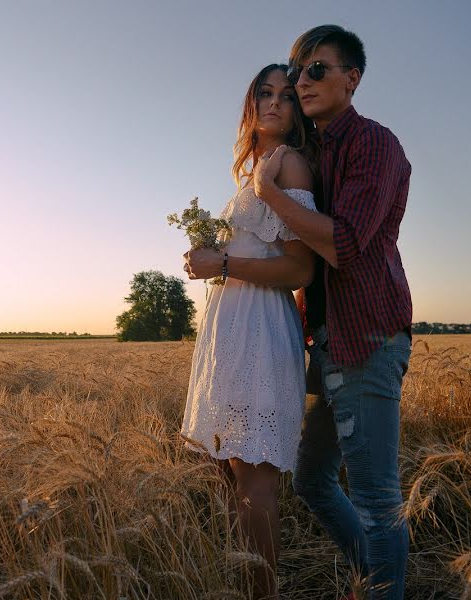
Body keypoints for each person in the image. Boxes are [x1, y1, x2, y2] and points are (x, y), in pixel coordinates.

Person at [254, 26, 412, 600]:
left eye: (318, 69)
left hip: (367, 336)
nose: (303, 81)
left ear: (353, 78)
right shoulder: (313, 153)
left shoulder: (374, 144)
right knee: (313, 480)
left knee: (376, 498)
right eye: (299, 73)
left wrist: (271, 195)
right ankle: (373, 579)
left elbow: (344, 245)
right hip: (325, 340)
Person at [181, 63, 320, 600]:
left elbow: (299, 270)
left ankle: (263, 593)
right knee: (228, 466)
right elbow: (244, 251)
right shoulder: (253, 170)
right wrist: (209, 260)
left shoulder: (289, 167)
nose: (275, 102)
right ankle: (247, 583)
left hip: (261, 329)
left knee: (256, 482)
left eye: (287, 95)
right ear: (251, 103)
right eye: (265, 92)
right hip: (229, 330)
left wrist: (222, 266)